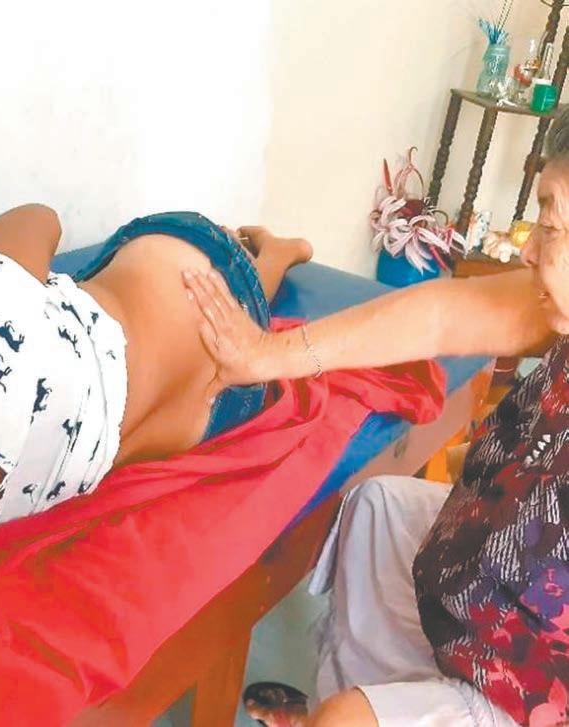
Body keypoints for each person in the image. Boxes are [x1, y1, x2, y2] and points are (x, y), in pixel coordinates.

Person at [182, 110, 569, 725]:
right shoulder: (554, 303)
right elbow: (441, 315)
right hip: (490, 573)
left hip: (536, 680)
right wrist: (265, 355)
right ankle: (365, 698)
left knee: (345, 720)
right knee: (377, 506)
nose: (527, 250)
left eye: (548, 225)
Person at [0, 208, 312, 670]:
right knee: (113, 298)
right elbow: (40, 220)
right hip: (197, 272)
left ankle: (269, 263)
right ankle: (271, 255)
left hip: (216, 411)